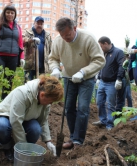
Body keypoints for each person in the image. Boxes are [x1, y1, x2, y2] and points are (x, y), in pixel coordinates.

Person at [48, 17, 105, 149]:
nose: (65, 38)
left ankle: (78, 140)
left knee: (83, 108)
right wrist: (55, 68)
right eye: (62, 36)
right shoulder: (58, 41)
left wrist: (83, 72)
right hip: (69, 78)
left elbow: (99, 60)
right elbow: (53, 58)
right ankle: (73, 137)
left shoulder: (88, 38)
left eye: (68, 35)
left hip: (86, 78)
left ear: (74, 28)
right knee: (68, 108)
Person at [0, 75, 63, 160]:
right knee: (1, 126)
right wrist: (23, 148)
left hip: (25, 118)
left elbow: (43, 121)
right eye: (51, 101)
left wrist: (48, 141)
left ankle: (25, 147)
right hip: (6, 115)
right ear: (42, 95)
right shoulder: (23, 93)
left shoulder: (45, 99)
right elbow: (16, 121)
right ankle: (8, 147)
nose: (51, 104)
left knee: (35, 129)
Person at [92, 36, 125, 131]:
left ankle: (110, 123)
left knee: (110, 104)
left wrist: (119, 79)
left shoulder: (118, 52)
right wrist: (98, 77)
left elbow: (121, 66)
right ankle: (103, 120)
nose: (100, 48)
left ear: (106, 43)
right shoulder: (103, 53)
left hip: (111, 83)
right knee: (99, 102)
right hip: (102, 82)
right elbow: (101, 66)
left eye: (101, 46)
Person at [23, 16, 52, 82]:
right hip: (30, 64)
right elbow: (23, 41)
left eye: (41, 24)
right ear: (34, 23)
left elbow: (50, 50)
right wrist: (31, 40)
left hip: (43, 65)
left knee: (41, 85)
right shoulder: (28, 32)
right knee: (28, 84)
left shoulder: (47, 35)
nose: (39, 25)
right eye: (38, 23)